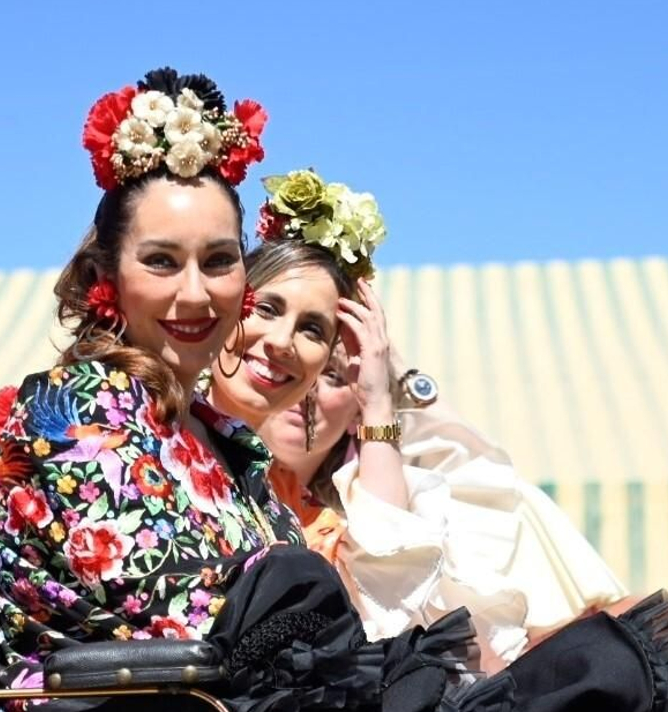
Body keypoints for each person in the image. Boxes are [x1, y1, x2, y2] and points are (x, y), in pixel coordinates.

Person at [0, 69, 668, 712]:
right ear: (108, 274)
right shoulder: (75, 407)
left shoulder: (227, 445)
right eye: (162, 261)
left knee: (588, 697)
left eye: (219, 261)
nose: (196, 292)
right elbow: (188, 620)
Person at [209, 170, 625, 670]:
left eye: (315, 337)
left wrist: (380, 399)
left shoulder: (352, 519)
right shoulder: (172, 439)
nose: (282, 345)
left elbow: (395, 577)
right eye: (267, 308)